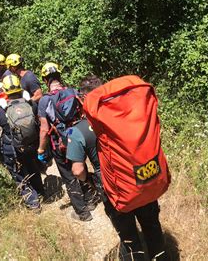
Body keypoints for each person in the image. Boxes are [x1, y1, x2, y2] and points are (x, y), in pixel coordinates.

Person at [81, 75, 168, 260]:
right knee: (152, 226)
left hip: (119, 191)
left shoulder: (89, 122)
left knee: (129, 239)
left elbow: (77, 170)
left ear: (84, 97)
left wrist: (89, 181)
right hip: (146, 181)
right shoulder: (131, 108)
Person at [37, 63, 97, 222]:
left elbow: (44, 129)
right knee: (80, 166)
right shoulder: (73, 92)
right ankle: (91, 198)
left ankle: (83, 213)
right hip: (79, 137)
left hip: (61, 143)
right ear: (59, 76)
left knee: (69, 176)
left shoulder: (45, 101)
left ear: (45, 80)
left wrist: (41, 150)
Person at [0, 74, 45, 211]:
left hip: (13, 149)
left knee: (19, 174)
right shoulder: (31, 105)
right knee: (33, 168)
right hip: (31, 145)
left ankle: (33, 203)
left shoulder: (2, 111)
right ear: (20, 88)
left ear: (5, 92)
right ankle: (41, 192)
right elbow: (39, 121)